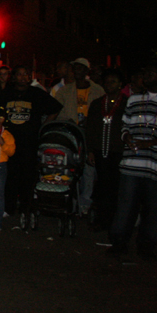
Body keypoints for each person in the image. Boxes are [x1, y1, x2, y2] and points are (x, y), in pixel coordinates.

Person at [0, 65, 62, 218]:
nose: (23, 78)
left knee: (28, 177)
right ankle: (8, 207)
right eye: (20, 74)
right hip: (9, 143)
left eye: (26, 74)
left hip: (29, 142)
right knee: (10, 176)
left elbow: (55, 108)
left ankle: (27, 207)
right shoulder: (5, 94)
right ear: (14, 77)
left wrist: (43, 127)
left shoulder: (37, 93)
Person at [108, 62, 157, 261]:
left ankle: (147, 245)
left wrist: (151, 143)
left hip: (155, 164)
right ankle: (119, 242)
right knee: (126, 205)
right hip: (132, 163)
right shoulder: (134, 99)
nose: (146, 77)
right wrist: (127, 137)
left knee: (153, 208)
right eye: (145, 73)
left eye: (151, 73)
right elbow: (124, 125)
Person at [55, 57, 104, 213]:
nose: (77, 71)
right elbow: (56, 110)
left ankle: (85, 203)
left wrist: (91, 121)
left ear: (87, 71)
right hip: (70, 133)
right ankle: (71, 201)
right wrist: (68, 120)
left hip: (90, 134)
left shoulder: (98, 91)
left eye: (81, 68)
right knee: (70, 168)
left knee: (89, 169)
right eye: (75, 68)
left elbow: (103, 112)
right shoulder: (64, 90)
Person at [86, 69, 127, 231]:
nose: (109, 85)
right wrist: (90, 150)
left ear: (120, 85)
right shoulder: (97, 104)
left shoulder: (126, 103)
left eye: (113, 82)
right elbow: (90, 129)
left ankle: (115, 221)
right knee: (102, 186)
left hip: (119, 152)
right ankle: (101, 219)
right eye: (107, 82)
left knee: (116, 188)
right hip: (100, 152)